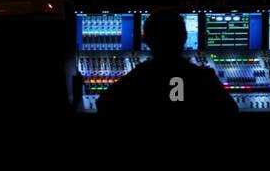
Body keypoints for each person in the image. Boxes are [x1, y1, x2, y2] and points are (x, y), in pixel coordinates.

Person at [96, 8, 238, 120]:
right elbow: (231, 110)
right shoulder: (204, 77)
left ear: (146, 39)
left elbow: (103, 103)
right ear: (184, 38)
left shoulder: (140, 75)